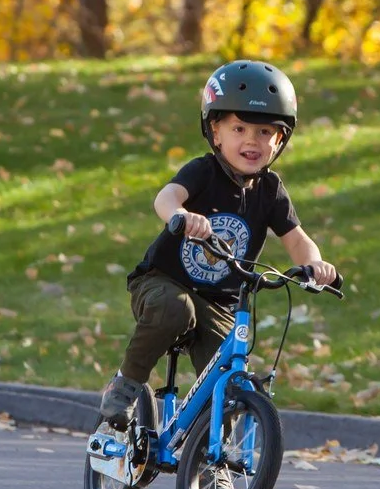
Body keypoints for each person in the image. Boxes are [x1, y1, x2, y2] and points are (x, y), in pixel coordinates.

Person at [100, 60, 338, 424]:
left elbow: (297, 239)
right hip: (163, 283)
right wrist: (179, 215)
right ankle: (127, 383)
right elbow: (165, 197)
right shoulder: (203, 171)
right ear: (216, 132)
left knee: (229, 381)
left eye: (264, 132)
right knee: (175, 309)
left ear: (280, 139)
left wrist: (316, 266)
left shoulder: (271, 191)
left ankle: (214, 472)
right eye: (239, 128)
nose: (251, 140)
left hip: (220, 303)